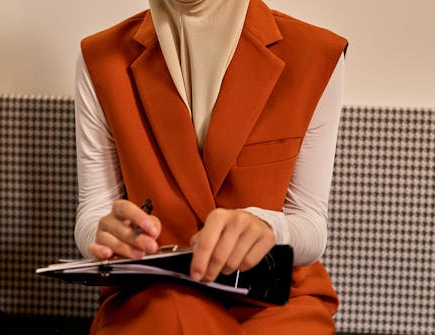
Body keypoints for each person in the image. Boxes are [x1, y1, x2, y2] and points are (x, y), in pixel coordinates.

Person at [74, 0, 347, 334]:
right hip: (156, 297)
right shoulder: (100, 58)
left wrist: (268, 226)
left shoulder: (315, 54)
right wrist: (106, 233)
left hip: (274, 299)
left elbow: (312, 226)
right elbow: (93, 214)